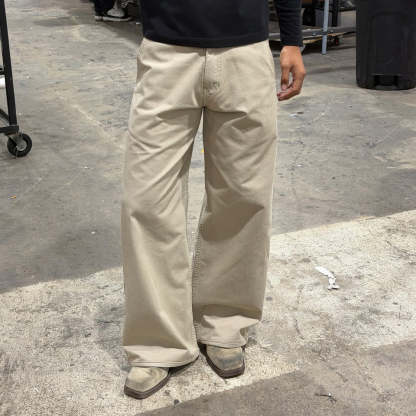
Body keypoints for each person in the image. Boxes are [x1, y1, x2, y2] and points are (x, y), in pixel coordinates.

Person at [121, 0, 306, 399]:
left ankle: (225, 321)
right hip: (166, 51)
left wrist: (292, 40)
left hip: (245, 51)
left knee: (243, 196)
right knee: (147, 201)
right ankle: (157, 340)